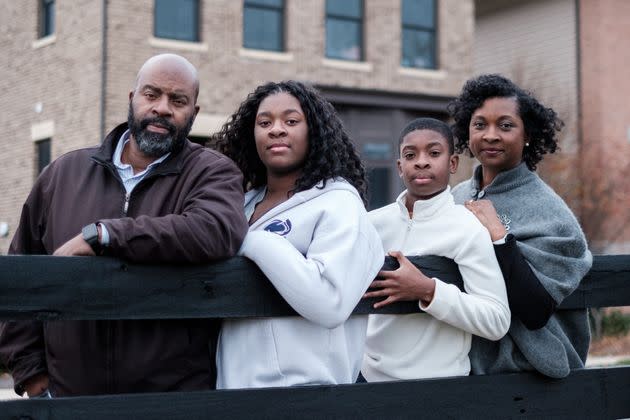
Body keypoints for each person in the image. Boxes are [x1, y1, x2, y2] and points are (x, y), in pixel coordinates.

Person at [0, 54, 248, 397]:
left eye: (178, 101)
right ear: (132, 99)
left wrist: (105, 234)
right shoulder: (62, 174)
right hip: (69, 398)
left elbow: (212, 231)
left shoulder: (212, 172)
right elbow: (19, 276)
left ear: (194, 113)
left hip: (170, 402)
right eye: (152, 94)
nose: (162, 108)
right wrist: (31, 374)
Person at [211, 80, 384, 389]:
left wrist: (251, 240)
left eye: (291, 121)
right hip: (234, 394)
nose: (276, 129)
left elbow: (329, 302)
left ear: (313, 131)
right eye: (265, 122)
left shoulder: (338, 202)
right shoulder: (242, 204)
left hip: (307, 394)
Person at [448, 74, 592, 378]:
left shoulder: (551, 214)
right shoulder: (456, 196)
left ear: (527, 135)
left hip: (527, 368)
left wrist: (500, 236)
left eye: (505, 125)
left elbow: (535, 310)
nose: (490, 135)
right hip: (464, 351)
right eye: (479, 124)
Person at [361, 118, 511, 382]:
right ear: (399, 166)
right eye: (410, 155)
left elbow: (496, 320)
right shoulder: (371, 224)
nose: (421, 161)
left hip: (440, 385)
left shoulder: (467, 227)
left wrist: (428, 290)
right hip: (369, 380)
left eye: (433, 153)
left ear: (452, 163)